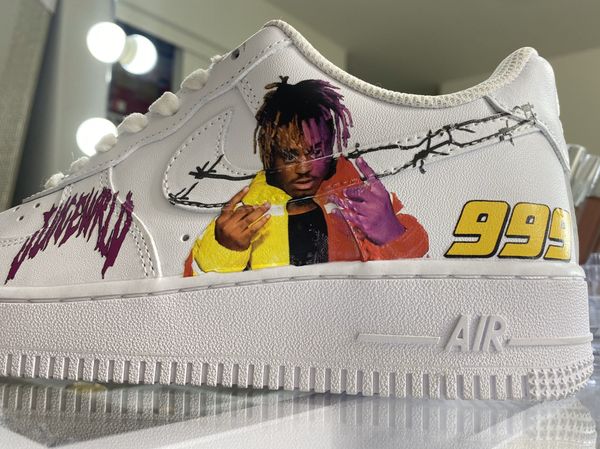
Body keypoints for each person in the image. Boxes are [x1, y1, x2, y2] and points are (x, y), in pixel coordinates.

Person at [184, 77, 428, 275]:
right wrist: (225, 248)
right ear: (270, 156)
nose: (304, 168)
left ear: (331, 147)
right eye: (289, 156)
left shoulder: (367, 199)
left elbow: (424, 276)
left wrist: (392, 233)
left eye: (316, 152)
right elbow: (194, 292)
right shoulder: (244, 211)